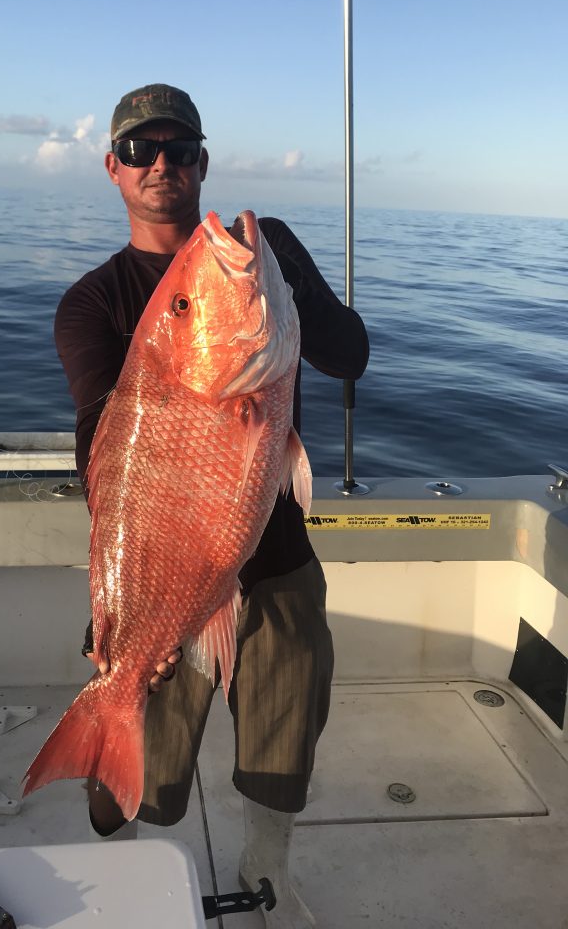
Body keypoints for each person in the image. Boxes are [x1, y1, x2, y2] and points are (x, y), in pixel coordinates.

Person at [54, 84, 369, 928]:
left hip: (280, 563)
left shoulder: (263, 253)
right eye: (140, 151)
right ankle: (127, 884)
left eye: (180, 150)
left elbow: (351, 355)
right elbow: (99, 444)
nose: (162, 165)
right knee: (132, 789)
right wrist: (121, 609)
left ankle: (268, 873)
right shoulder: (93, 302)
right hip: (161, 563)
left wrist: (292, 279)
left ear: (201, 162)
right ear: (113, 168)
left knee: (283, 745)